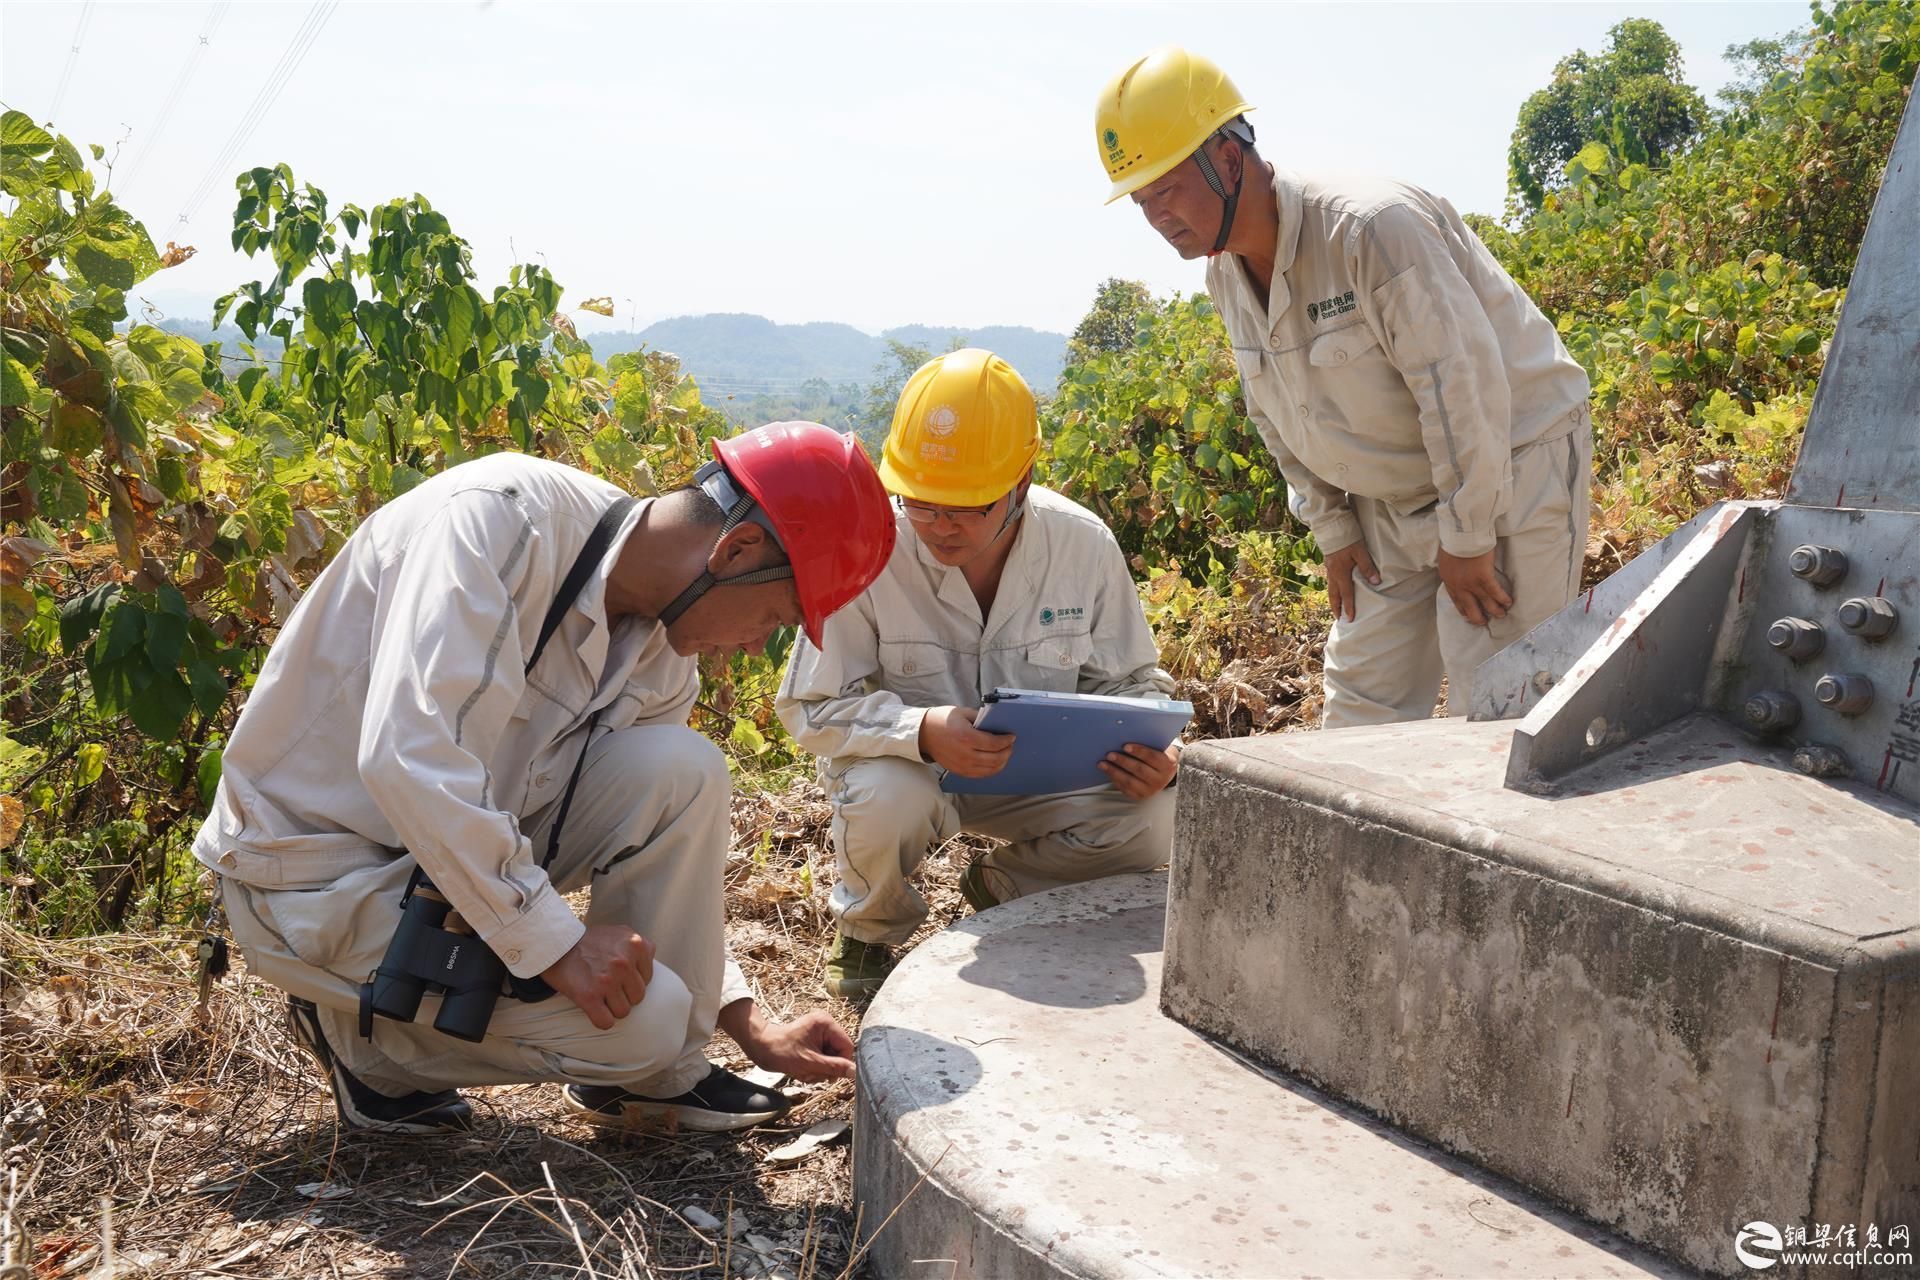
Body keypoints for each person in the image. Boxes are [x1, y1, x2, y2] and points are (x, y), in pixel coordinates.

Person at [193, 422, 896, 1134]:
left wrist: (747, 1025)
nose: (752, 646)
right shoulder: (496, 520)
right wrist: (557, 946)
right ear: (735, 550)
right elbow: (408, 756)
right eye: (774, 618)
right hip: (316, 874)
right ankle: (371, 1053)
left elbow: (660, 852)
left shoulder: (660, 642)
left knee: (683, 770)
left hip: (437, 867)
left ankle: (659, 1082)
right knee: (642, 1026)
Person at [1096, 48, 1594, 728]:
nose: (1156, 215)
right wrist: (1333, 527)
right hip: (1385, 500)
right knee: (1361, 712)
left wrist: (1469, 536)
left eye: (1168, 187)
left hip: (1510, 466)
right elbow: (1276, 410)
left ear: (1229, 158)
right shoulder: (1224, 274)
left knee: (1501, 703)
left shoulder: (1370, 229)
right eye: (1142, 198)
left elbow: (1462, 385)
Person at [775, 349, 1178, 1001]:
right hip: (912, 770)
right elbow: (809, 705)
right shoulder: (868, 547)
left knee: (1156, 813)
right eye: (921, 503)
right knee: (884, 800)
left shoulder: (1082, 546)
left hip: (1040, 779)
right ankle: (869, 931)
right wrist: (923, 730)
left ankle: (1004, 888)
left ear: (1021, 481)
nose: (939, 526)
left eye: (966, 507)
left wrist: (1158, 748)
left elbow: (1134, 680)